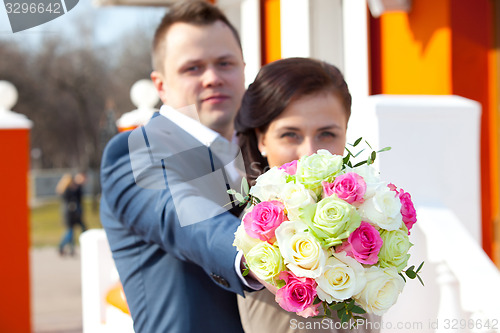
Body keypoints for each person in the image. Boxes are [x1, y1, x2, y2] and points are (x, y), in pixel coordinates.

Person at [100, 2, 261, 332]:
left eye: (225, 63)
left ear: (243, 69)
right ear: (160, 85)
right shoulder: (134, 154)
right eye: (193, 68)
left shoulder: (262, 148)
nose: (213, 78)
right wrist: (263, 256)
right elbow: (183, 213)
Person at [234, 57, 380, 332]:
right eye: (290, 135)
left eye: (327, 134)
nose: (309, 153)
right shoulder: (258, 226)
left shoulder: (370, 210)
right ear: (262, 139)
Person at [57, 173, 84, 256]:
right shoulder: (67, 191)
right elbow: (72, 201)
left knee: (71, 232)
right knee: (70, 232)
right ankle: (61, 246)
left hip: (70, 213)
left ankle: (72, 249)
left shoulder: (67, 190)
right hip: (69, 214)